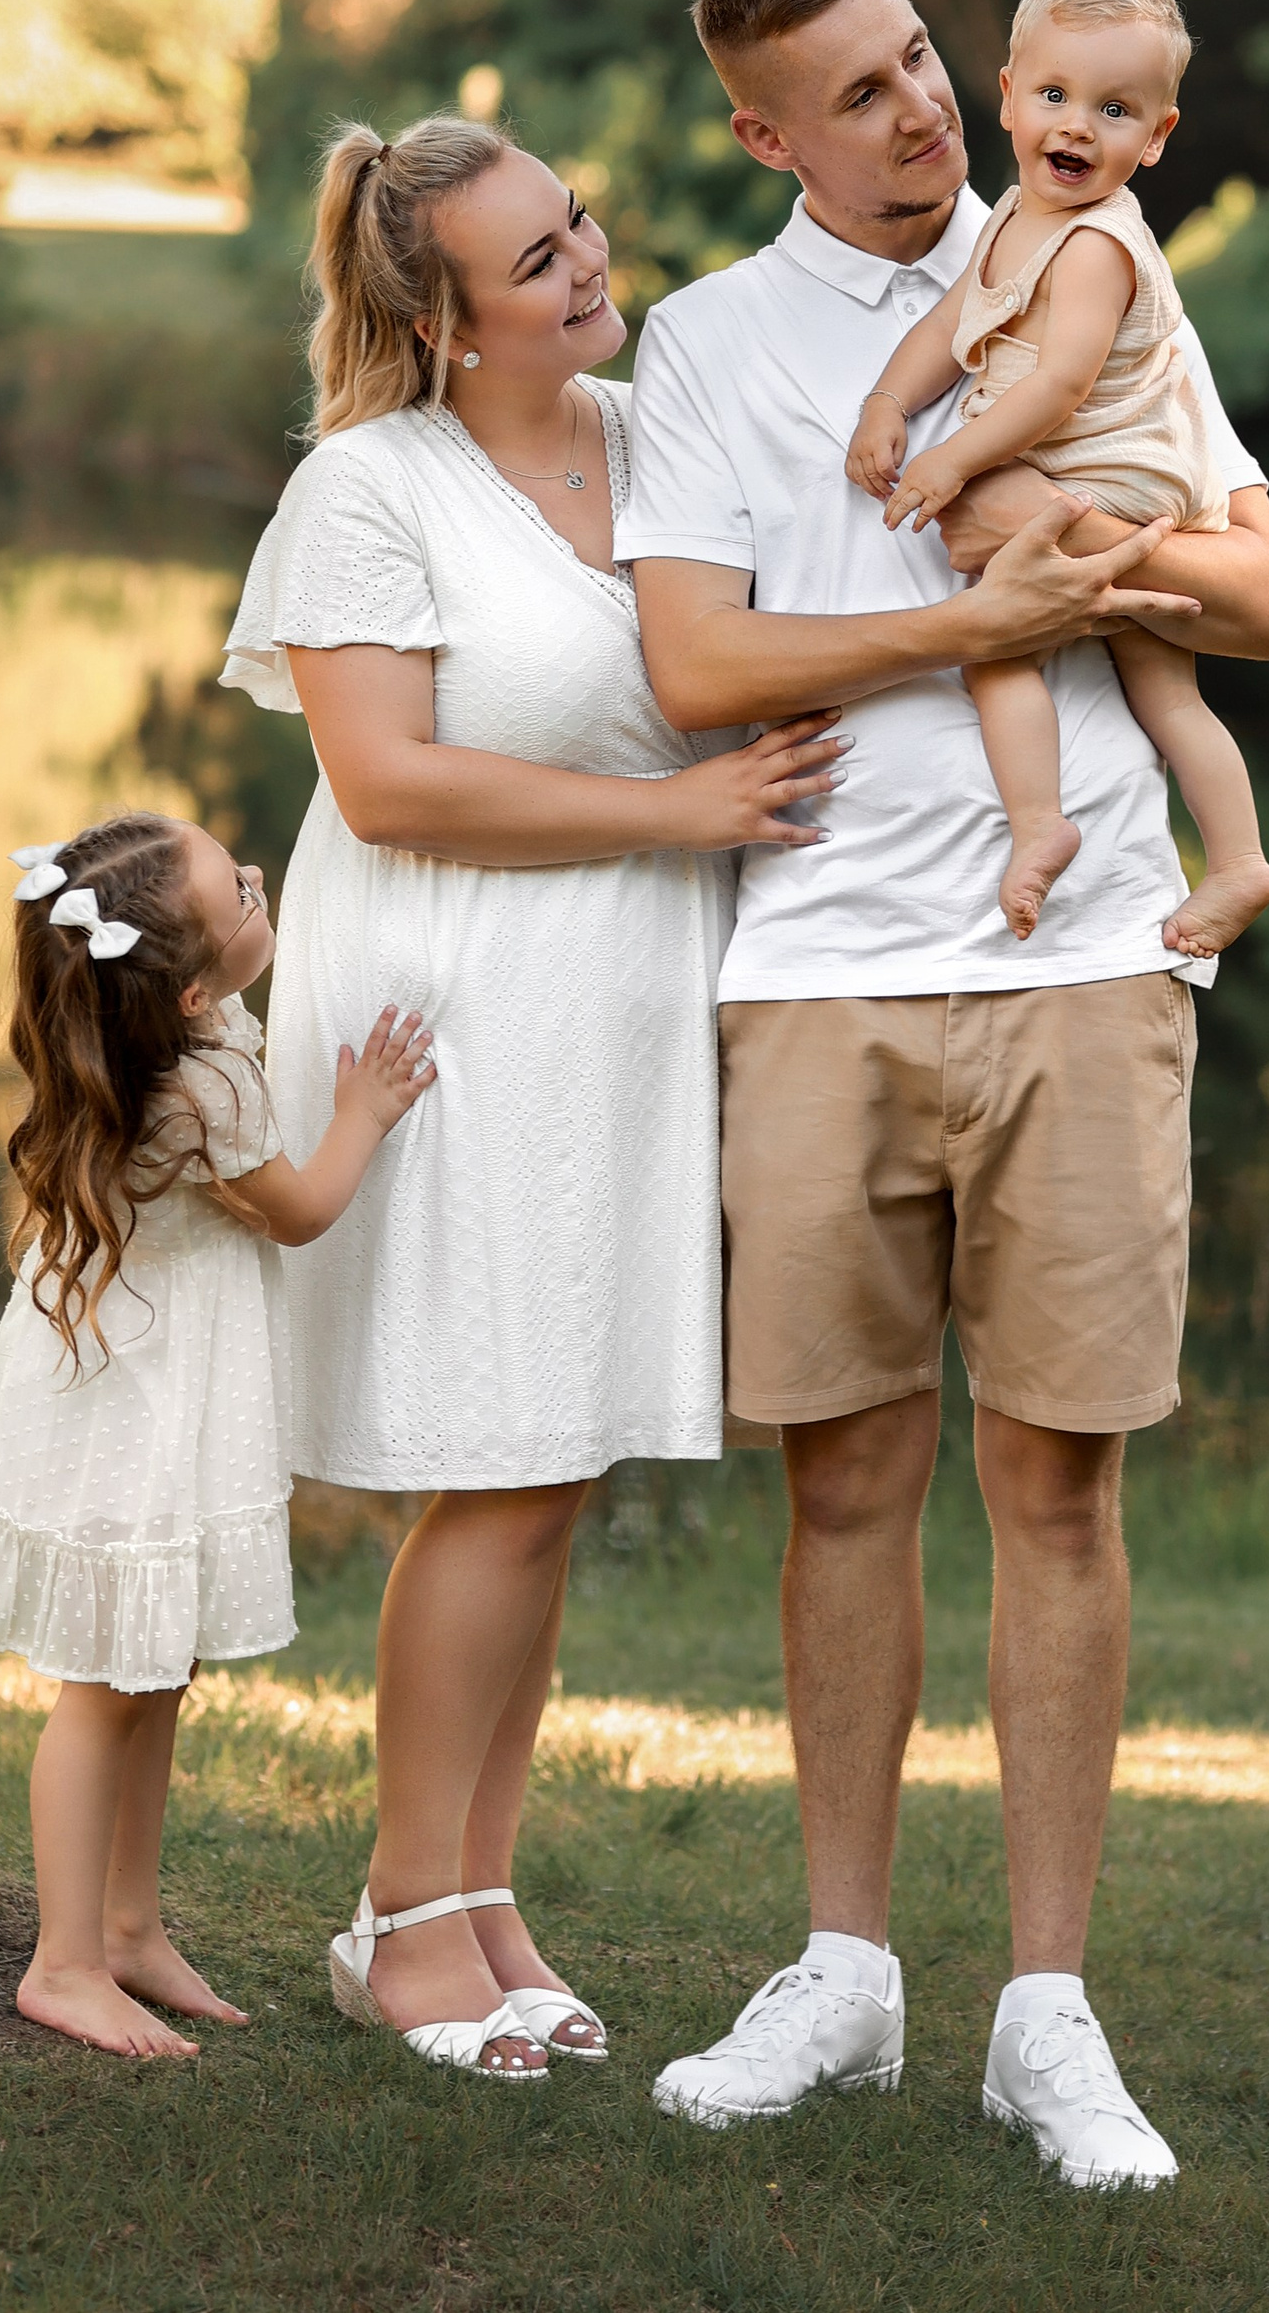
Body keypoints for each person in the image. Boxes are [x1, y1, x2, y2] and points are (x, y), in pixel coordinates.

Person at [620, 0, 1269, 2189]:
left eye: (925, 56)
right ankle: (839, 1969)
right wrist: (974, 618)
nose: (919, 108)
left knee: (1060, 1483)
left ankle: (1045, 2009)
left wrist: (1095, 570)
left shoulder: (1109, 255)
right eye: (861, 89)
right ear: (764, 137)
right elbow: (702, 665)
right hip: (817, 964)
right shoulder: (708, 346)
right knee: (837, 1479)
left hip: (1093, 950)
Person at [219, 115, 837, 2082]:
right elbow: (389, 777)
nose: (587, 259)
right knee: (488, 1464)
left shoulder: (649, 428)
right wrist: (668, 808)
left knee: (549, 1468)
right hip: (448, 1000)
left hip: (620, 1004)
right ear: (439, 316)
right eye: (536, 257)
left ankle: (483, 1899)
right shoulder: (367, 486)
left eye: (577, 218)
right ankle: (400, 1917)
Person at [0, 807, 435, 2060]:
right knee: (109, 1688)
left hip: (108, 1384)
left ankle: (126, 1925)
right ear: (199, 978)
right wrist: (366, 1113)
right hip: (149, 1406)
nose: (263, 880)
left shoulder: (127, 1045)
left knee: (152, 1670)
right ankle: (63, 1961)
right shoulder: (205, 1077)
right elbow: (301, 1211)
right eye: (245, 895)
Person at [846, 0, 1269, 955]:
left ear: (1158, 136)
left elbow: (1059, 387)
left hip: (1108, 472)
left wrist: (952, 461)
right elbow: (950, 328)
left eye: (1115, 109)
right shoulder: (1013, 221)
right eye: (1054, 94)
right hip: (1099, 475)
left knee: (998, 645)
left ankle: (1047, 826)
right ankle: (1230, 854)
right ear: (1006, 99)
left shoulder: (1095, 245)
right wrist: (886, 403)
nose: (1077, 124)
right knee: (1159, 688)